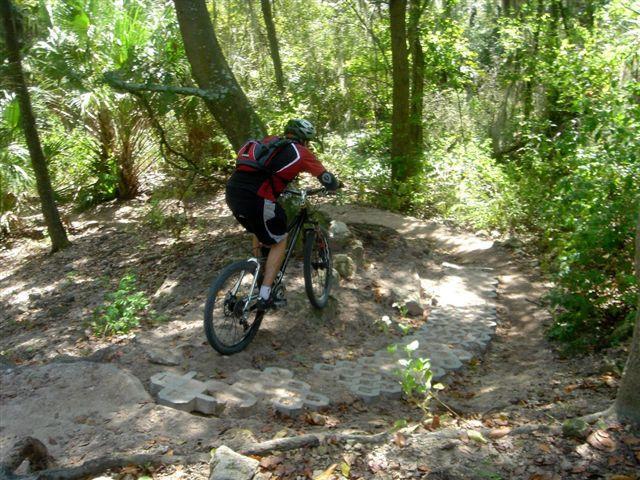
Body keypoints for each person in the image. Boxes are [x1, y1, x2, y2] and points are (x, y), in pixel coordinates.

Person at [225, 119, 340, 311]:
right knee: (280, 240)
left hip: (233, 192)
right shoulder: (301, 152)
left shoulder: (270, 141)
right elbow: (327, 178)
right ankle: (265, 294)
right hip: (258, 198)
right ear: (304, 139)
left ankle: (260, 270)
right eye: (308, 141)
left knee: (259, 228)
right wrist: (335, 185)